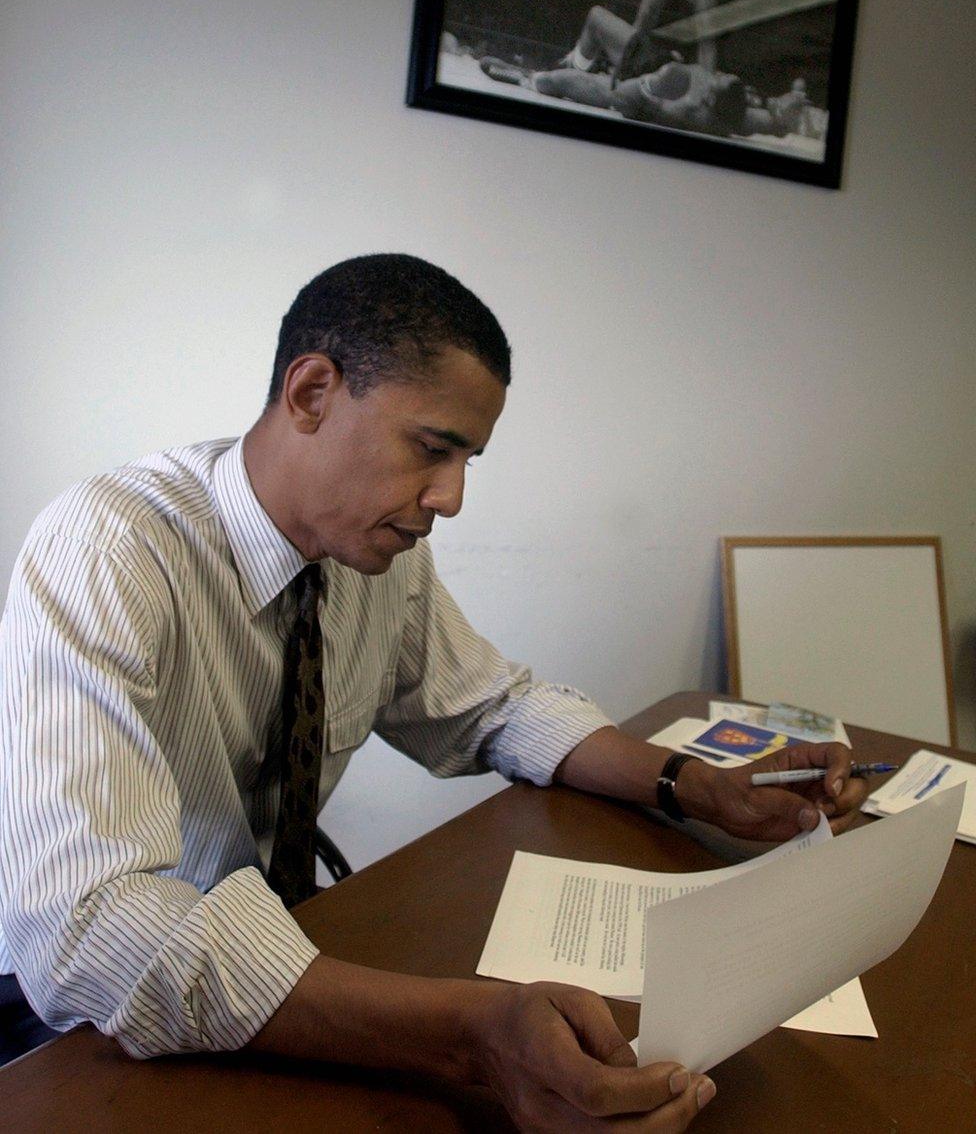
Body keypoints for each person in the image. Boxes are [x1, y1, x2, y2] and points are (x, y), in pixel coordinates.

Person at [0, 255, 865, 1130]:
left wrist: (688, 782)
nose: (449, 499)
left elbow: (493, 703)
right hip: (84, 1027)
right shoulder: (107, 551)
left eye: (467, 459)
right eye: (432, 448)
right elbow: (87, 932)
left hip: (284, 958)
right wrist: (469, 1036)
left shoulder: (376, 554)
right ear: (310, 393)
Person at [483, 6, 807, 140]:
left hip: (641, 86)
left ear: (708, 101)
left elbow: (625, 100)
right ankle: (573, 64)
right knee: (596, 16)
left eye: (716, 81)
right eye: (720, 75)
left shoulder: (687, 111)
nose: (715, 75)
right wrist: (788, 104)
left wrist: (653, 84)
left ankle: (531, 78)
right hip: (657, 61)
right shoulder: (737, 109)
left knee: (556, 82)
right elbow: (775, 125)